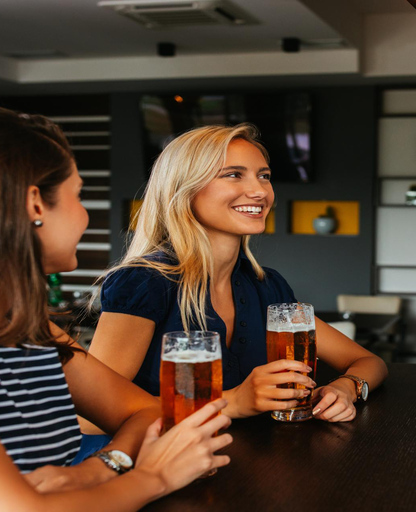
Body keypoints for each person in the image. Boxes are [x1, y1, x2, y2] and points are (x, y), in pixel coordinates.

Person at [0, 107, 232, 510]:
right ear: (35, 204)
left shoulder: (30, 331)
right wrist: (154, 476)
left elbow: (145, 411)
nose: (85, 214)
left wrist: (100, 468)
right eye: (79, 194)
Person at [86, 123, 387, 433]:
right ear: (183, 189)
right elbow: (90, 418)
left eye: (264, 176)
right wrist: (234, 402)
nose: (259, 191)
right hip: (165, 472)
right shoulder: (143, 282)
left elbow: (368, 361)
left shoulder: (267, 285)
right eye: (233, 174)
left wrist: (345, 387)